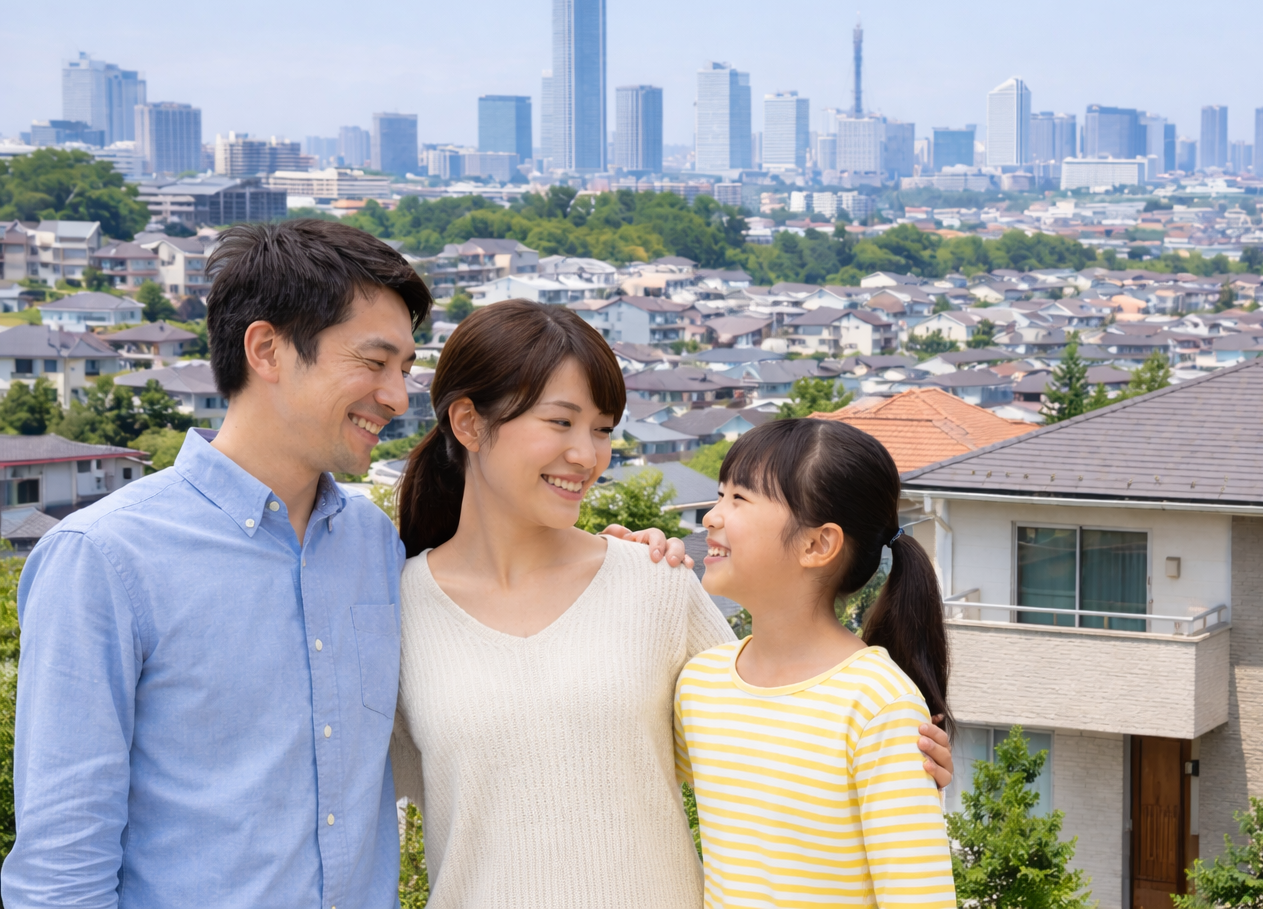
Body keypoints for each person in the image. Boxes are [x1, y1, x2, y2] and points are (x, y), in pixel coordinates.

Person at [1, 219, 689, 907]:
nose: (396, 396)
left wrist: (616, 562)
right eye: (373, 362)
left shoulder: (372, 545)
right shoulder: (105, 559)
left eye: (404, 369)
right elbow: (62, 865)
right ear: (267, 349)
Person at [389, 300, 952, 908]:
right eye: (561, 422)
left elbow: (777, 727)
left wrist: (896, 757)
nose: (588, 455)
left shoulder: (654, 583)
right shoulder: (393, 609)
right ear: (468, 423)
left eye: (602, 429)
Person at [675, 417, 959, 909]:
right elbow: (627, 770)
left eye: (739, 499)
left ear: (817, 544)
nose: (711, 517)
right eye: (720, 495)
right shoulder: (700, 683)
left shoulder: (876, 703)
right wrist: (622, 573)